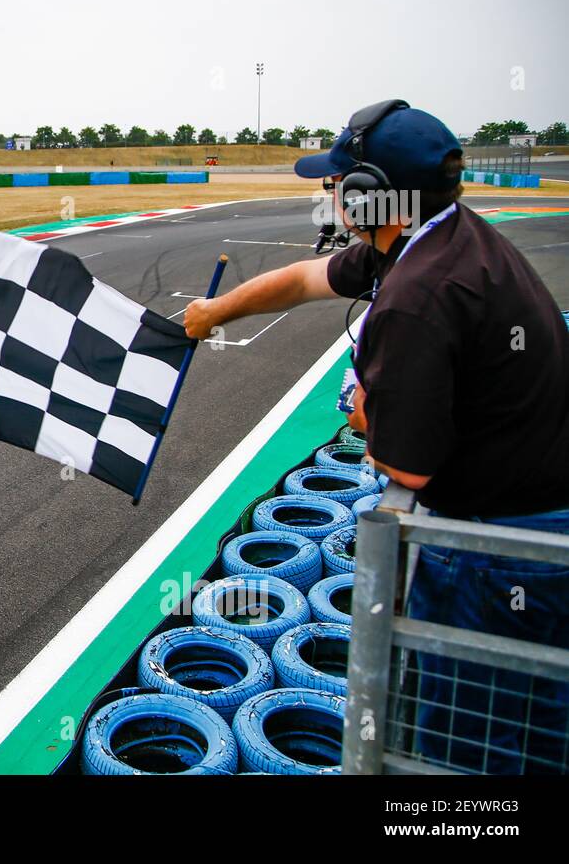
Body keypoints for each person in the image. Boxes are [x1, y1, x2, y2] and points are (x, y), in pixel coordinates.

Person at [183, 100, 569, 773]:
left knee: (465, 748)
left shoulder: (419, 293)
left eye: (339, 181)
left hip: (498, 551)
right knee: (534, 729)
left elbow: (400, 463)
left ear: (371, 197)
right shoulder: (439, 236)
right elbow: (307, 278)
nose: (328, 192)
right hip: (538, 523)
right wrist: (213, 312)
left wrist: (365, 402)